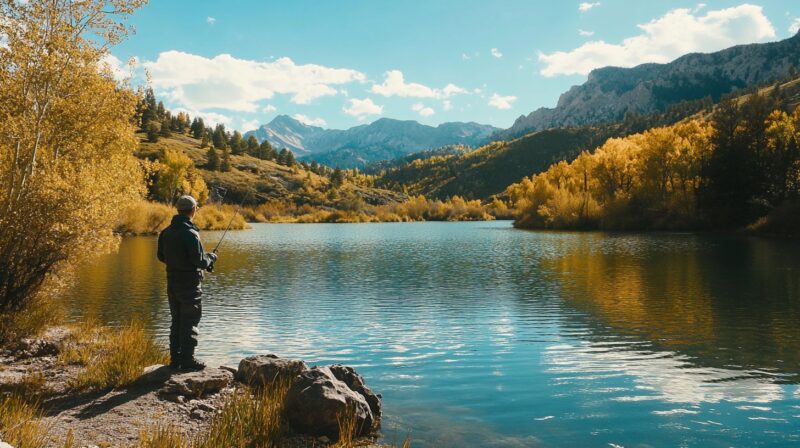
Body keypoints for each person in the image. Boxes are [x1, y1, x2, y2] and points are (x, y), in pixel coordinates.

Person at [157, 195, 217, 371]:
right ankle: (188, 361)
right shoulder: (191, 233)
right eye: (196, 208)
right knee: (190, 320)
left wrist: (177, 262)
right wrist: (211, 258)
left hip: (172, 283)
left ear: (178, 210)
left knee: (176, 320)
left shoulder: (166, 232)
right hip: (190, 285)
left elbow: (161, 257)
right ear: (193, 210)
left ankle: (175, 360)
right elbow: (200, 262)